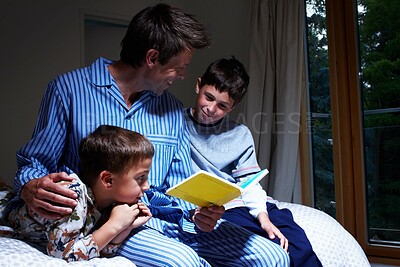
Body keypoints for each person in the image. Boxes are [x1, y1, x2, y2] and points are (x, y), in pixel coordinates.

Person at [7, 3, 289, 266]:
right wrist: (30, 185)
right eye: (179, 67)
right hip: (113, 222)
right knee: (182, 262)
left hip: (170, 219)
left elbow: (180, 185)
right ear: (152, 58)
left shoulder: (172, 109)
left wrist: (199, 214)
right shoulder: (67, 89)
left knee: (271, 257)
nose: (181, 76)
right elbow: (34, 162)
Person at [185, 57, 323, 267]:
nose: (211, 109)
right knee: (268, 247)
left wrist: (263, 217)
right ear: (198, 85)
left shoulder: (240, 134)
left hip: (247, 201)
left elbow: (249, 182)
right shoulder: (174, 124)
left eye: (222, 105)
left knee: (299, 245)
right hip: (219, 210)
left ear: (233, 107)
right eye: (208, 97)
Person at [8, 125, 153, 262]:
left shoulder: (111, 202)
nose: (147, 186)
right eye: (141, 177)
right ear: (108, 180)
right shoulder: (71, 198)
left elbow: (98, 251)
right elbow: (63, 255)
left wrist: (125, 227)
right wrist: (114, 225)